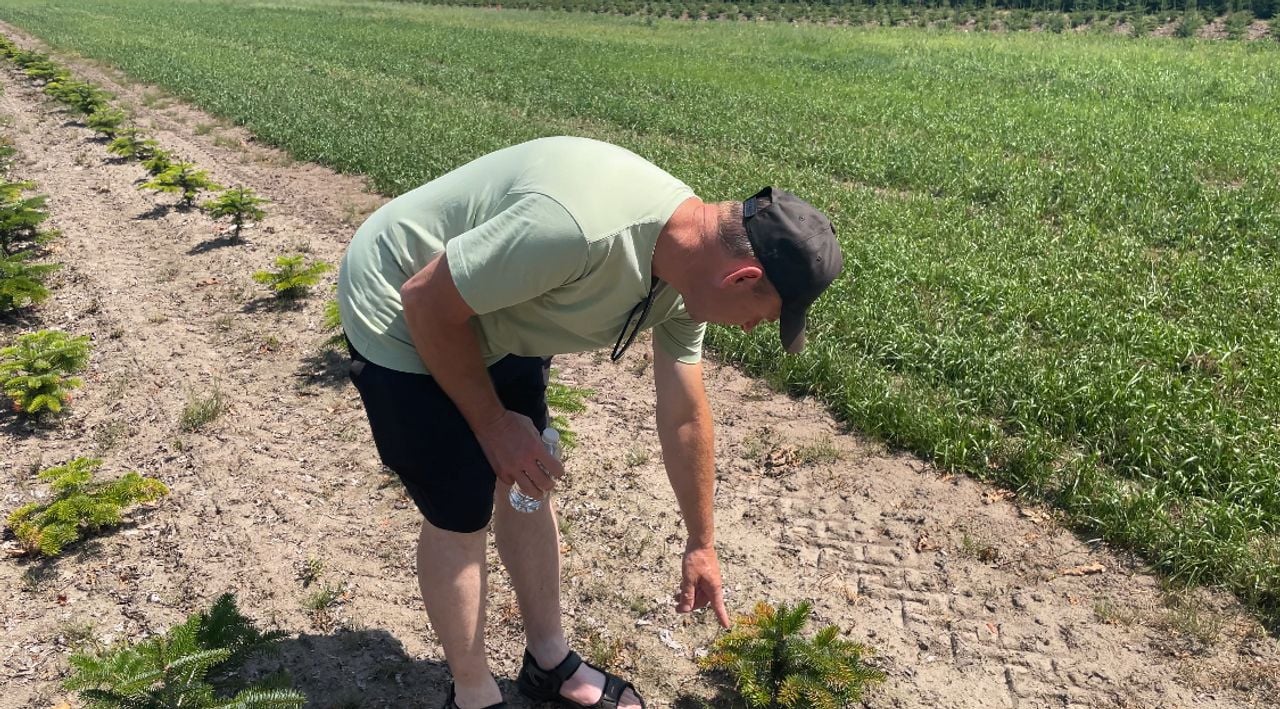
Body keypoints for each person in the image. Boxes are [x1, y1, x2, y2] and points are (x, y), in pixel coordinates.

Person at [336, 136, 842, 709]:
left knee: (527, 480)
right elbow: (426, 299)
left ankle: (548, 661)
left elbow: (684, 413)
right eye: (765, 317)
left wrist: (702, 542)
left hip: (500, 306)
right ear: (742, 279)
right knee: (460, 504)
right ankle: (473, 693)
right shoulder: (578, 231)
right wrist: (494, 424)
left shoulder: (685, 275)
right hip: (402, 304)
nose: (751, 330)